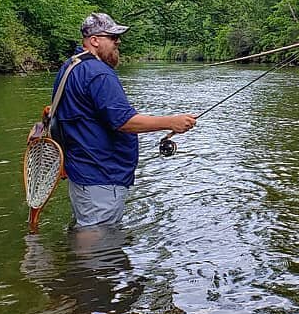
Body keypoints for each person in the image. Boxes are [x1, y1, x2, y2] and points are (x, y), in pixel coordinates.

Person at [52, 12, 196, 227]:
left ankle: (74, 260)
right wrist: (170, 122)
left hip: (82, 172)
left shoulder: (71, 66)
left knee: (88, 231)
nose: (117, 41)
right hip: (100, 175)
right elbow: (123, 122)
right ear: (94, 41)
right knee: (98, 243)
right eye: (112, 37)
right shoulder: (99, 73)